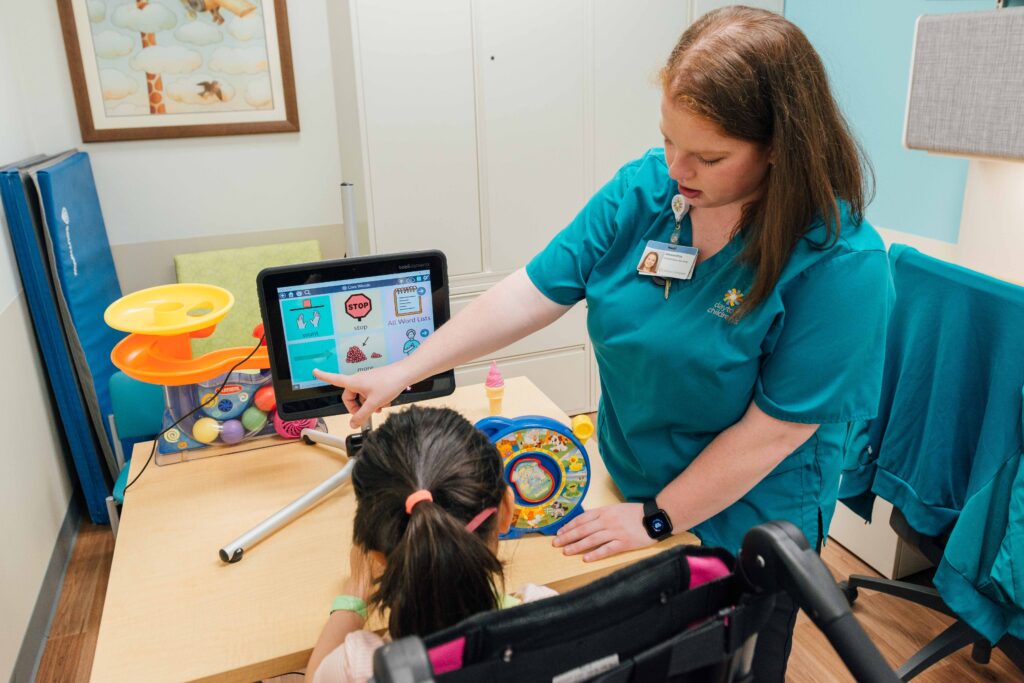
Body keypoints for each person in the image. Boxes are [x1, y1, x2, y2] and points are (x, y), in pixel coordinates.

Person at [314, 7, 893, 679]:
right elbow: (537, 288)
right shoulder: (648, 190)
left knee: (713, 655)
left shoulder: (840, 264)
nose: (678, 168)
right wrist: (407, 369)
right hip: (630, 473)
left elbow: (771, 434)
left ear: (778, 148)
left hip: (745, 509)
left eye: (708, 156)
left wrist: (656, 519)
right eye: (669, 141)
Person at [306, 406, 555, 683]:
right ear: (507, 510)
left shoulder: (360, 667)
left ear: (375, 554)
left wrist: (355, 593)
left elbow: (315, 677)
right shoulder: (549, 617)